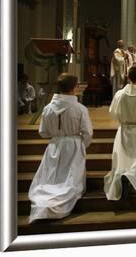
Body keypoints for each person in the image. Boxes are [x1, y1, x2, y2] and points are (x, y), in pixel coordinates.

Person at [28, 73, 93, 222]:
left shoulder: (48, 108)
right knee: (69, 179)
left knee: (51, 178)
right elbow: (87, 132)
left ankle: (44, 204)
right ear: (73, 88)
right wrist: (82, 144)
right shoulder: (80, 108)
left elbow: (43, 132)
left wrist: (57, 137)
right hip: (74, 145)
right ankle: (57, 205)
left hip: (55, 146)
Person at [104, 65, 136, 201]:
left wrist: (124, 120)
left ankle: (123, 176)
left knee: (123, 161)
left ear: (128, 76)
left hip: (123, 130)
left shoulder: (119, 94)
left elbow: (113, 113)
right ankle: (131, 177)